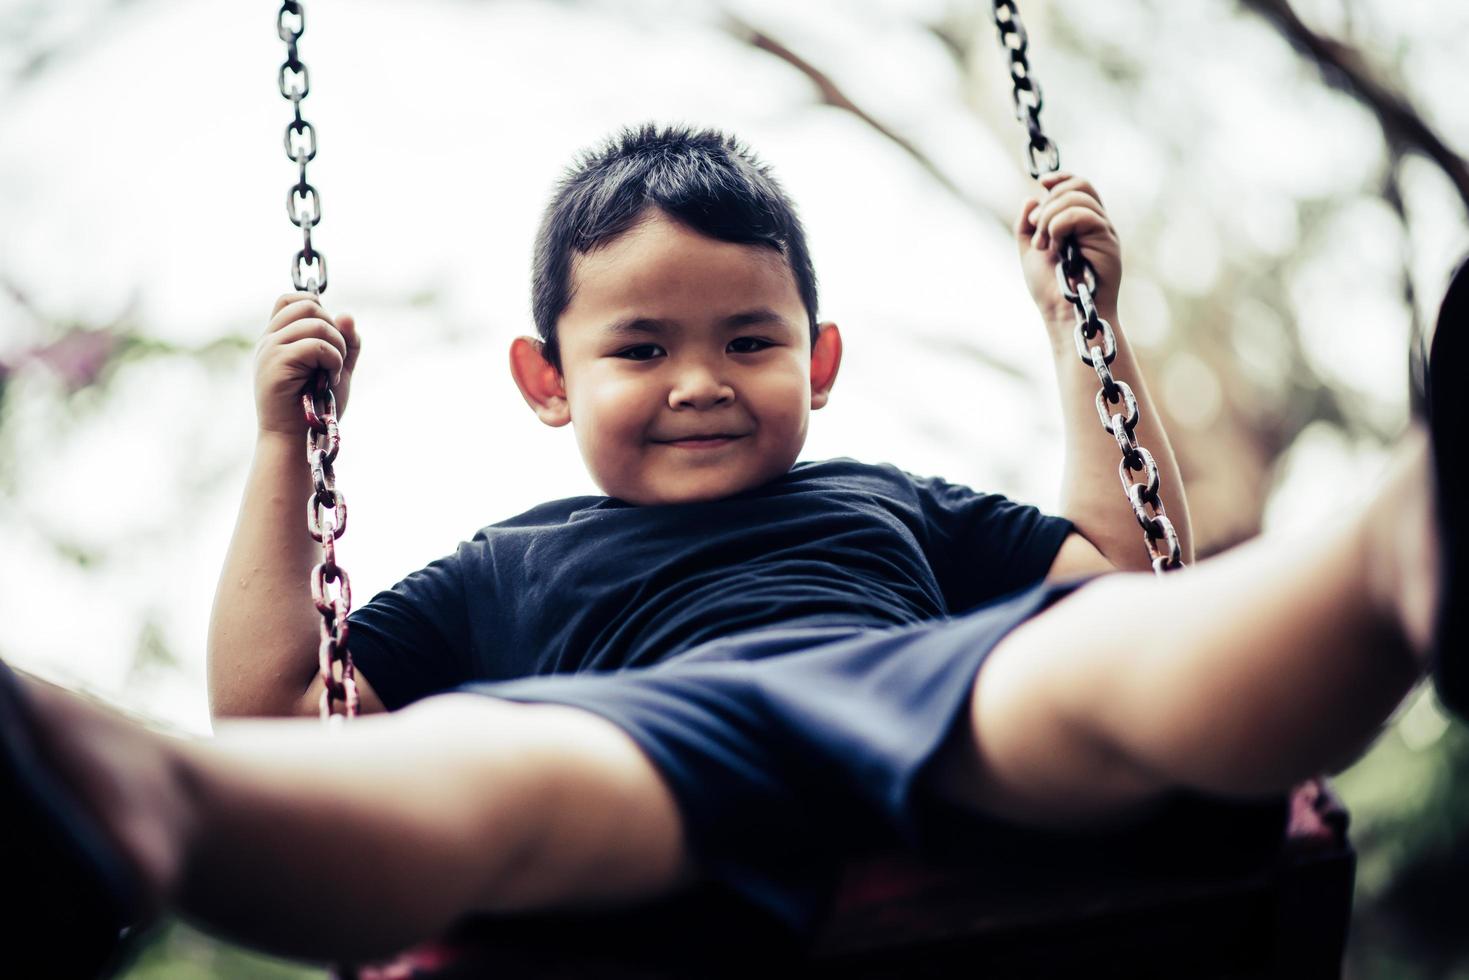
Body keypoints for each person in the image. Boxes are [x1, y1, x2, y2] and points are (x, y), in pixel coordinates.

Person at [3, 124, 1462, 978]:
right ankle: (109, 788)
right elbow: (285, 711)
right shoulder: (506, 567)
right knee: (476, 781)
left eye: (746, 341)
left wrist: (1075, 322)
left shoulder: (890, 504)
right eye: (640, 347)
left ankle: (1414, 541)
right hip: (632, 746)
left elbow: (1120, 566)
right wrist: (283, 445)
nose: (699, 379)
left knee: (1100, 668)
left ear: (816, 360)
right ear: (546, 380)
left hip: (925, 690)